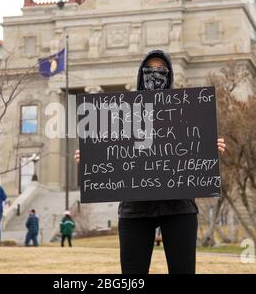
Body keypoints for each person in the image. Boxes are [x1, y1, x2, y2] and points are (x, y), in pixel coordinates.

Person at [74, 49, 226, 274]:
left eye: (161, 70)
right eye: (150, 69)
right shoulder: (121, 114)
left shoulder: (187, 110)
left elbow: (195, 145)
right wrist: (90, 157)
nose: (155, 74)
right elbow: (111, 153)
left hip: (179, 206)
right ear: (140, 74)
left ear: (170, 74)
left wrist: (210, 148)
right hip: (135, 209)